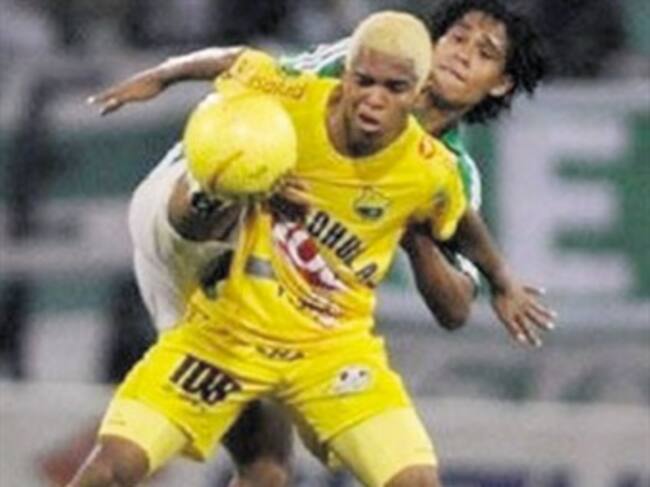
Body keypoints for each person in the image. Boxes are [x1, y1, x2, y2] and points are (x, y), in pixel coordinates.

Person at [83, 1, 554, 484]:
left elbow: (455, 305)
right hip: (189, 215)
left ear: (500, 83)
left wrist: (433, 242)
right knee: (244, 165)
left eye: (484, 52)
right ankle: (227, 186)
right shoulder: (363, 60)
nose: (463, 54)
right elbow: (247, 65)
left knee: (266, 468)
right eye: (457, 37)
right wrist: (164, 77)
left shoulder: (442, 173)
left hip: (289, 321)